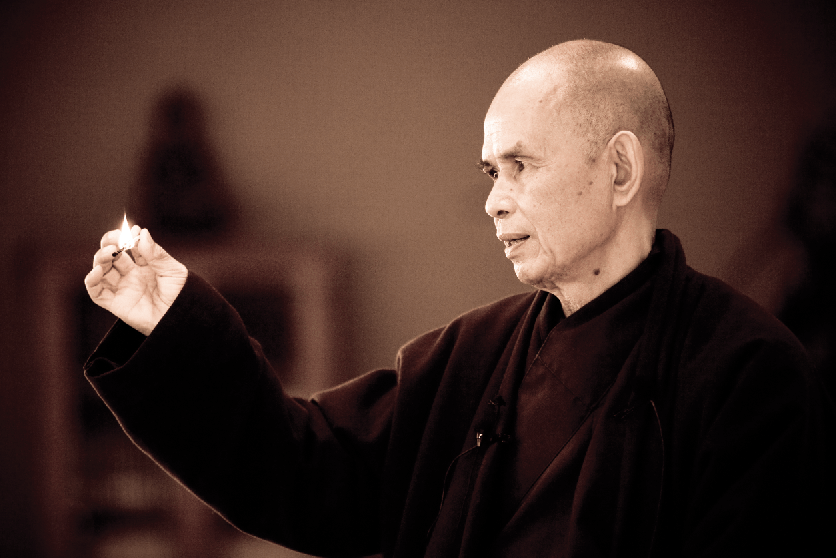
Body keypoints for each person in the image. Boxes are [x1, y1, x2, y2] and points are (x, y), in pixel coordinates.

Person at [84, 40, 835, 557]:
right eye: (490, 173)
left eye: (520, 166)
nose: (494, 202)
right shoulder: (473, 357)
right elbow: (300, 468)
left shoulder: (748, 372)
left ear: (619, 169)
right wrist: (172, 325)